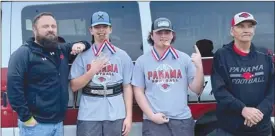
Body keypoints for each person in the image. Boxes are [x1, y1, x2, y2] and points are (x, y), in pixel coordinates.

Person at [7, 12, 91, 136]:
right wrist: (26, 118)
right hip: (36, 126)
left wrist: (82, 44)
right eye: (45, 26)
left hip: (58, 123)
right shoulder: (23, 53)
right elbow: (14, 90)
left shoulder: (60, 49)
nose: (51, 29)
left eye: (53, 26)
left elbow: (86, 43)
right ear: (34, 30)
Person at [131, 17, 204, 136]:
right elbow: (138, 92)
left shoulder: (184, 58)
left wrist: (200, 67)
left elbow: (197, 89)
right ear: (152, 35)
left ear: (172, 35)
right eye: (159, 32)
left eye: (167, 32)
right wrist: (152, 116)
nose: (163, 36)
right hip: (153, 122)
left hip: (182, 121)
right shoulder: (142, 61)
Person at [69, 11, 133, 136]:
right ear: (91, 30)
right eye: (97, 27)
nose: (101, 30)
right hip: (89, 115)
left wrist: (128, 117)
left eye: (105, 26)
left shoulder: (122, 55)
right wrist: (92, 71)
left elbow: (127, 87)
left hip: (116, 113)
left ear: (110, 29)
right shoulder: (83, 56)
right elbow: (74, 86)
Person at [211, 12, 274, 136]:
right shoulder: (222, 55)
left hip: (261, 127)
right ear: (232, 31)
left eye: (250, 26)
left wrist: (259, 112)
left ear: (254, 30)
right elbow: (220, 91)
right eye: (241, 26)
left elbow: (273, 87)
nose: (246, 30)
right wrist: (243, 109)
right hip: (231, 128)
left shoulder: (264, 55)